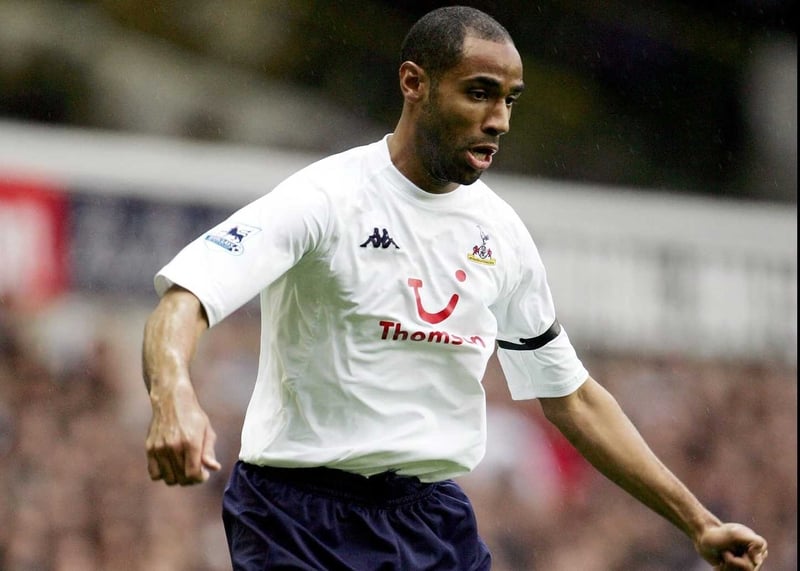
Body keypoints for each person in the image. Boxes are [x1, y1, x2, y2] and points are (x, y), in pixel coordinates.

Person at [142, 6, 768, 570]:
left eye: (510, 100)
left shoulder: (501, 234)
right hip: (299, 517)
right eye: (479, 94)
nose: (498, 120)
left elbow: (571, 398)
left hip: (431, 522)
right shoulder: (326, 197)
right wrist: (175, 396)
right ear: (414, 83)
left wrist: (700, 523)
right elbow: (187, 297)